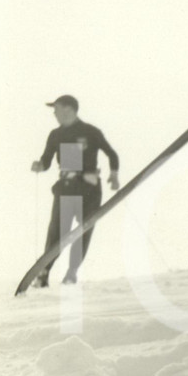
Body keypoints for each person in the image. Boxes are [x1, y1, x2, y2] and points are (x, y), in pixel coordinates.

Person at [30, 94, 120, 286]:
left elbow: (112, 154)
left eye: (56, 109)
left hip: (89, 190)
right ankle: (43, 273)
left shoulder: (90, 132)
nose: (54, 113)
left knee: (83, 230)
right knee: (57, 232)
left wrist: (113, 175)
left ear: (68, 109)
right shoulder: (56, 135)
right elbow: (46, 161)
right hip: (67, 188)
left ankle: (71, 273)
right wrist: (39, 165)